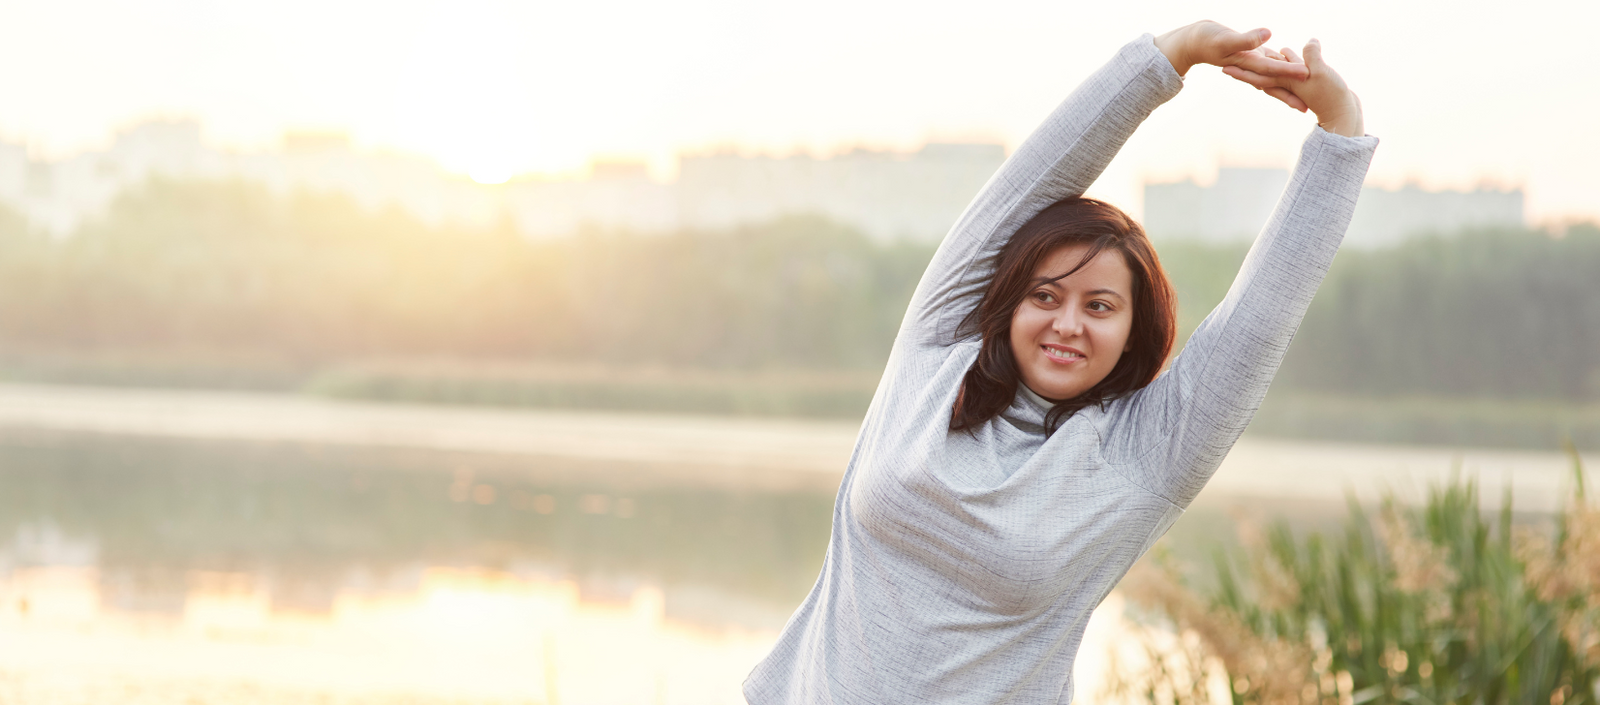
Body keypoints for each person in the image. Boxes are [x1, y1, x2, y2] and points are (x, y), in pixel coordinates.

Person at [743, 20, 1376, 704]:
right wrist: (1171, 56)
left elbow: (1259, 318)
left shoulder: (1142, 453)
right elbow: (1031, 179)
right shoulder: (936, 352)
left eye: (1100, 306)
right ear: (1011, 300)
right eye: (1045, 294)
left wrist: (1340, 130)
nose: (1066, 323)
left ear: (1135, 330)